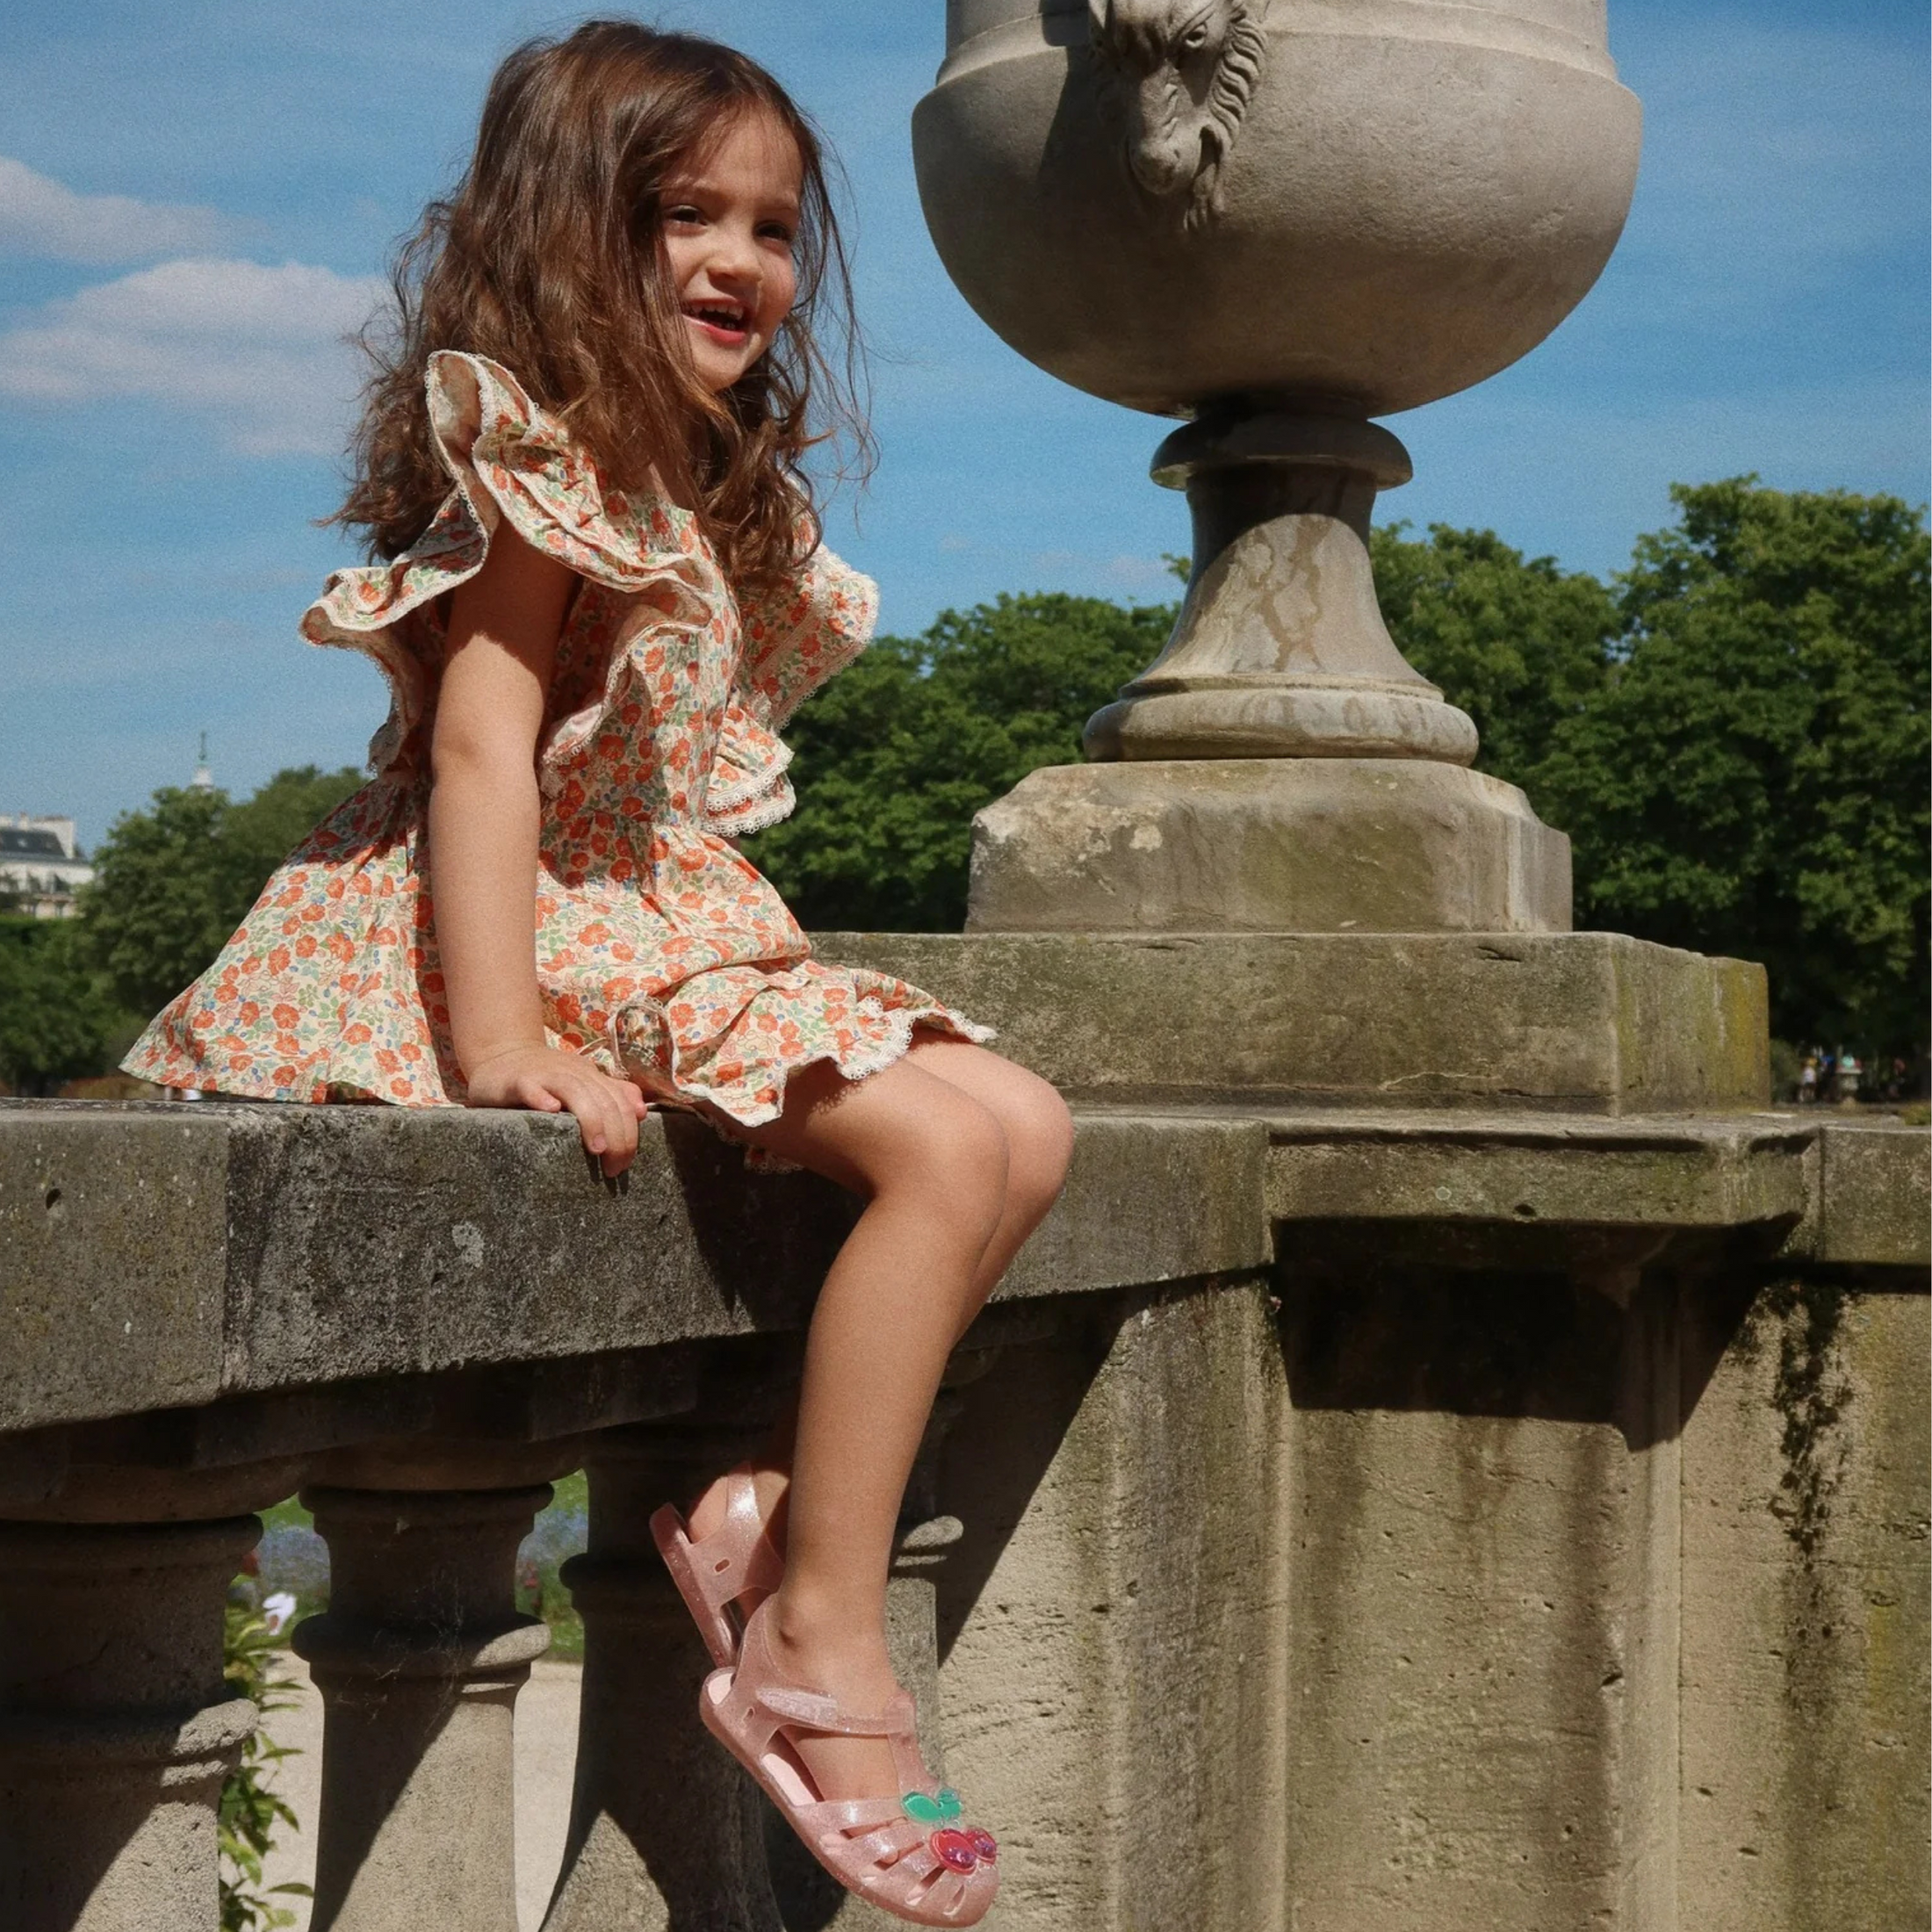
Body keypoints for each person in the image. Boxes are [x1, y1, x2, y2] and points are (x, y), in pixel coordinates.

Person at [124, 23, 1072, 1923]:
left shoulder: (683, 477)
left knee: (1026, 1123)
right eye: (682, 219)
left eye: (773, 228)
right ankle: (818, 1639)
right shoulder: (538, 462)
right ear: (569, 235)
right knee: (948, 1155)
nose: (740, 262)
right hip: (531, 919)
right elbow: (483, 752)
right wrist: (501, 1034)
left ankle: (776, 1515)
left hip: (650, 901)